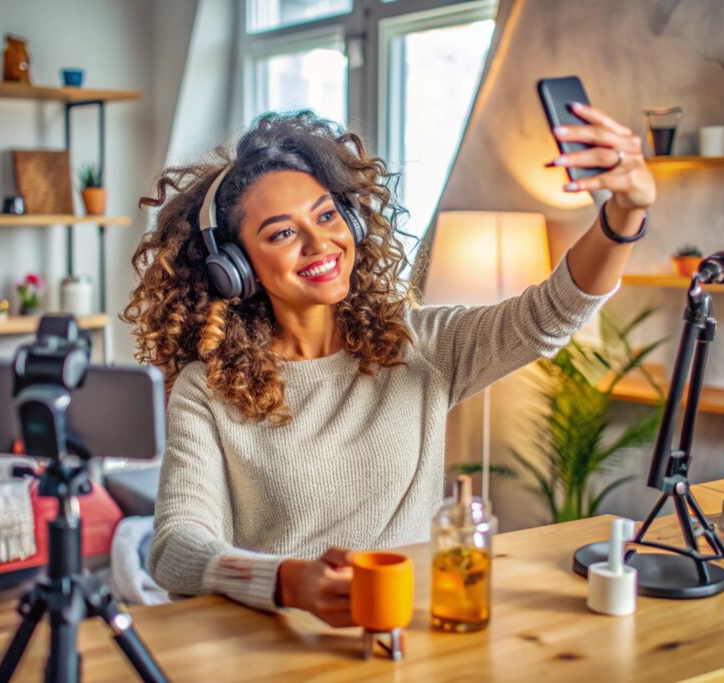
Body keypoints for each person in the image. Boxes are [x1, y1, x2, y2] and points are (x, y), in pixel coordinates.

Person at [124, 106, 654, 627]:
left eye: (327, 215)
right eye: (282, 233)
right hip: (279, 646)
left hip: (412, 637)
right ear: (234, 268)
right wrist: (285, 580)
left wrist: (623, 215)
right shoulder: (209, 388)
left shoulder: (418, 343)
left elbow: (550, 313)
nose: (319, 243)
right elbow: (175, 548)